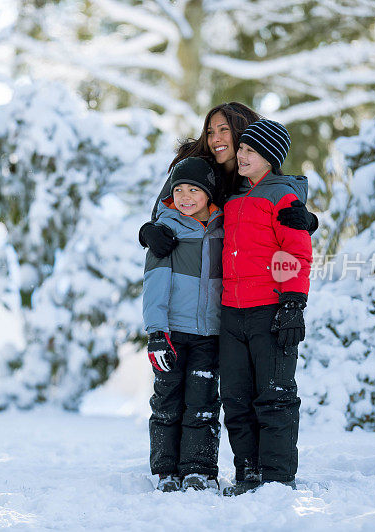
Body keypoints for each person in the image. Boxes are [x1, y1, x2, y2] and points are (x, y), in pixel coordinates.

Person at [219, 119, 312, 496]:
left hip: (269, 310)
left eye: (250, 151)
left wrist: (292, 304)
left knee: (273, 396)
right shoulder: (233, 199)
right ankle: (249, 472)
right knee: (236, 399)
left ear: (269, 158)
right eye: (241, 149)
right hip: (231, 313)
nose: (240, 155)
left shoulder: (283, 197)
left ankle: (277, 477)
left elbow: (295, 251)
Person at [138, 102, 317, 258]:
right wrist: (147, 232)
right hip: (192, 273)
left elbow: (284, 232)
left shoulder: (262, 179)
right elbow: (161, 213)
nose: (215, 139)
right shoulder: (193, 171)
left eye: (224, 130)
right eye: (210, 132)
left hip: (240, 283)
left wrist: (308, 221)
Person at [142, 157, 223, 493]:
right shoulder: (167, 230)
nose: (185, 196)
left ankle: (198, 469)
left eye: (194, 189)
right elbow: (155, 283)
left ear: (209, 194)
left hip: (209, 333)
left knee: (202, 401)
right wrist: (157, 332)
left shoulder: (223, 227)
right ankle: (166, 471)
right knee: (168, 401)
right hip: (173, 332)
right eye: (178, 189)